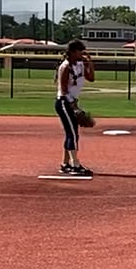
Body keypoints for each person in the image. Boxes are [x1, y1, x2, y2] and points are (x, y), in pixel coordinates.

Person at [57, 39, 96, 176]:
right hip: (64, 103)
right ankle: (75, 165)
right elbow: (63, 90)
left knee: (72, 133)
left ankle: (65, 163)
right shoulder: (65, 67)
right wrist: (73, 106)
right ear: (73, 52)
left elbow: (91, 78)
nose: (82, 54)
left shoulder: (80, 65)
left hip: (72, 102)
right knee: (72, 134)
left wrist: (89, 63)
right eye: (80, 51)